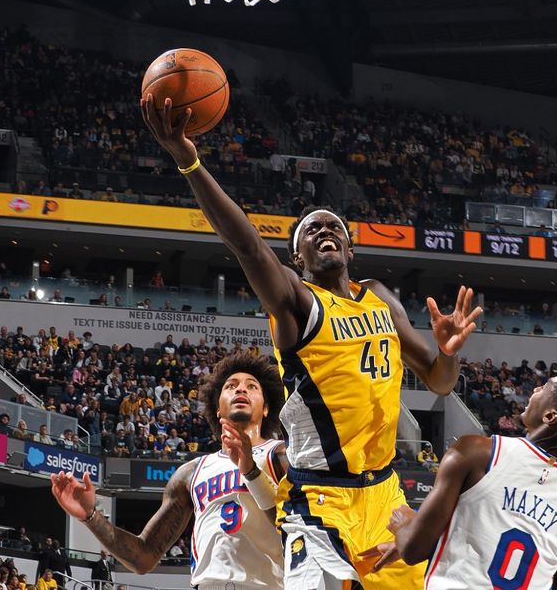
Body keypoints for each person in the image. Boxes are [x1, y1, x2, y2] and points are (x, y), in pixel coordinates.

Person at [140, 93, 483, 589]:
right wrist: (188, 159)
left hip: (385, 493)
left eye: (333, 227)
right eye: (311, 230)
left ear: (349, 247)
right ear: (297, 256)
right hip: (319, 498)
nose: (324, 231)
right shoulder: (296, 303)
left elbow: (440, 381)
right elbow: (247, 245)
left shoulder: (381, 300)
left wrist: (448, 353)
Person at [50, 353, 287, 589]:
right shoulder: (191, 473)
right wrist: (91, 516)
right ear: (217, 409)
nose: (241, 390)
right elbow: (144, 557)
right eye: (231, 386)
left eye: (252, 386)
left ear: (266, 408)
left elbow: (294, 527)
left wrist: (252, 472)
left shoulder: (282, 456)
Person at [370, 373, 557, 589]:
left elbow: (413, 550)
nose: (535, 389)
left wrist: (404, 525)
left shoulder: (477, 452)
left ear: (550, 416)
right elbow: (500, 547)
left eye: (545, 387)